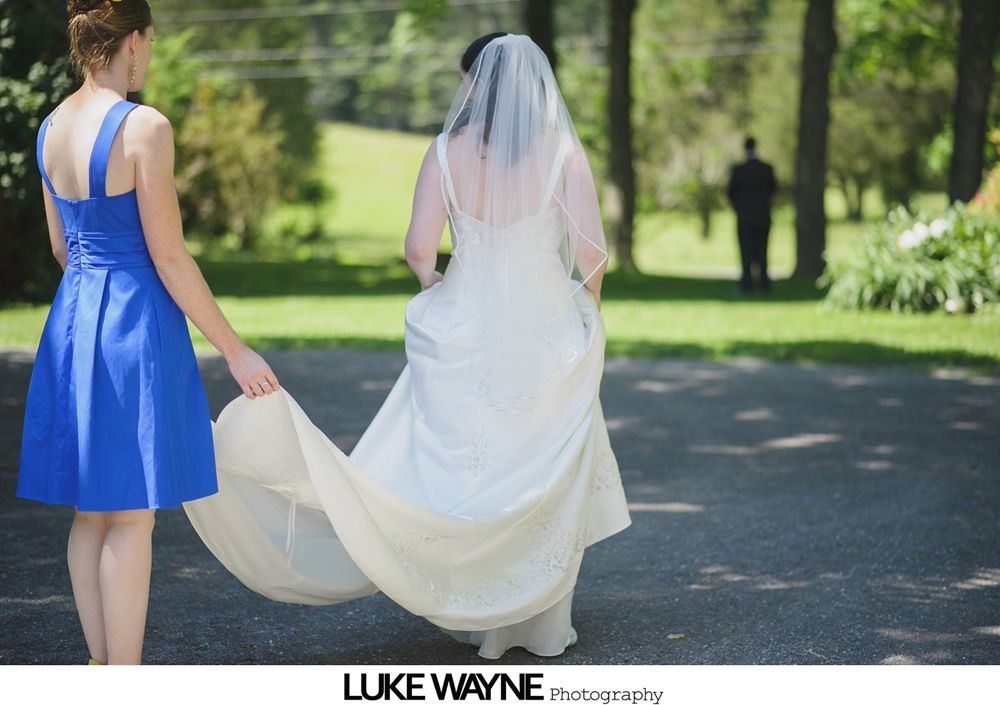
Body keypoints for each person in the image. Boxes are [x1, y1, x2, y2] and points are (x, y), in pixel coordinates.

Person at [183, 33, 631, 660]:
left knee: (472, 469)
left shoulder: (446, 150)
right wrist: (586, 310)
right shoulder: (562, 152)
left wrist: (434, 284)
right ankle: (537, 625)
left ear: (476, 84)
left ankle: (473, 605)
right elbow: (592, 254)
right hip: (544, 326)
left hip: (466, 323)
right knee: (538, 469)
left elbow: (420, 246)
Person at [16, 0, 279, 665]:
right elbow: (169, 254)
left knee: (89, 511)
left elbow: (61, 249)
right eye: (151, 43)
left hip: (72, 321)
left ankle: (102, 667)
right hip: (132, 323)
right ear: (133, 41)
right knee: (131, 513)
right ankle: (125, 679)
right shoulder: (144, 126)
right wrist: (234, 347)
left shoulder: (49, 127)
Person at [727, 136, 777, 292]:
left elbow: (730, 193)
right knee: (762, 250)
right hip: (763, 215)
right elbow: (773, 190)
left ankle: (746, 284)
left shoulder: (738, 170)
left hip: (744, 217)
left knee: (746, 250)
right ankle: (764, 284)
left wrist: (739, 208)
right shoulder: (766, 169)